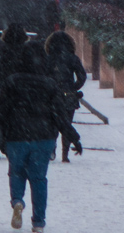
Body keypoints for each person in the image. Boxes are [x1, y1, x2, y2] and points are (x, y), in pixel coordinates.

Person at [0, 43, 61, 233]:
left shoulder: (11, 81)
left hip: (16, 135)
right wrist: (69, 134)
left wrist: (0, 138)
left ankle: (17, 201)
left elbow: (1, 112)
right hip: (43, 137)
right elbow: (59, 113)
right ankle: (38, 222)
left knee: (16, 172)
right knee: (39, 179)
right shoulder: (49, 84)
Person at [42, 31, 86, 161]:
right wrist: (74, 87)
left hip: (51, 95)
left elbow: (43, 74)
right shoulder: (73, 58)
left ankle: (52, 149)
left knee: (53, 123)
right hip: (69, 95)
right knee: (67, 122)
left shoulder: (48, 58)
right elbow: (82, 76)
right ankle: (65, 154)